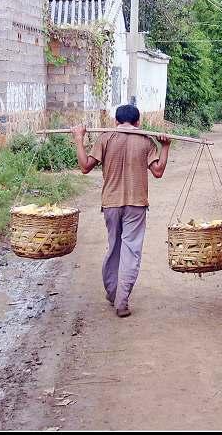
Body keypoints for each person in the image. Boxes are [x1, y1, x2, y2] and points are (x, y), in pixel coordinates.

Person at [71, 104, 171, 318]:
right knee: (131, 251)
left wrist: (79, 138)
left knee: (114, 247)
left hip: (111, 203)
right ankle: (121, 301)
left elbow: (84, 167)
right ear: (137, 123)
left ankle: (113, 291)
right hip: (136, 204)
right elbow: (158, 171)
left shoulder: (106, 138)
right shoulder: (145, 140)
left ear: (117, 122)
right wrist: (165, 146)